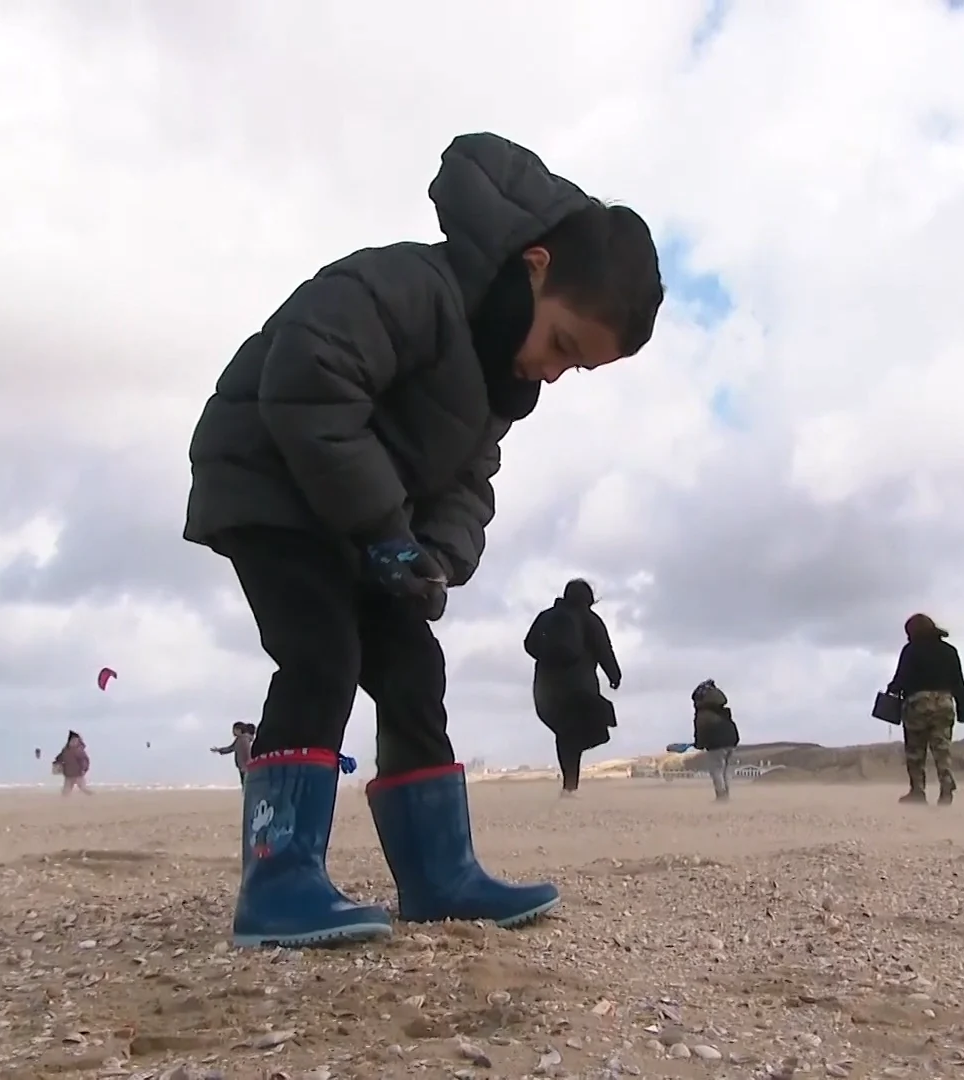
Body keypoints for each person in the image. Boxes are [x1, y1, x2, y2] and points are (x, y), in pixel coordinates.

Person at [182, 132, 664, 948]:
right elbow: (307, 380)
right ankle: (278, 879)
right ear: (535, 267)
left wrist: (432, 557)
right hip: (267, 482)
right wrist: (382, 529)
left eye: (574, 370)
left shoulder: (495, 388)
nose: (551, 372)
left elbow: (468, 486)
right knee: (322, 653)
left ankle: (440, 874)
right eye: (561, 345)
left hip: (365, 525)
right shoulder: (410, 284)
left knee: (412, 667)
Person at [527, 579, 622, 797]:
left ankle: (569, 786)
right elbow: (604, 650)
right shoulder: (589, 619)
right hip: (580, 688)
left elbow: (530, 644)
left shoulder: (546, 617)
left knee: (565, 734)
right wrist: (614, 675)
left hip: (546, 691)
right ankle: (570, 785)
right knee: (583, 733)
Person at [885, 614, 964, 806]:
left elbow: (901, 679)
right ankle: (946, 783)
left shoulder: (911, 650)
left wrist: (892, 688)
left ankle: (917, 791)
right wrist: (963, 709)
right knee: (942, 749)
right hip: (944, 703)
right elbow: (958, 682)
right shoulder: (950, 651)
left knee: (915, 750)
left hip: (918, 703)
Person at [689, 679, 741, 802]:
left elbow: (701, 732)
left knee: (716, 770)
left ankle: (721, 797)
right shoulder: (722, 711)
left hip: (716, 745)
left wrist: (699, 744)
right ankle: (726, 795)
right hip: (731, 742)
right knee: (725, 771)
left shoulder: (702, 714)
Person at [53, 731, 92, 797]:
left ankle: (93, 797)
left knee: (83, 788)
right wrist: (57, 762)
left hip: (78, 774)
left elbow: (84, 761)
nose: (73, 742)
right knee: (66, 791)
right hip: (68, 774)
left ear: (78, 741)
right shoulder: (65, 750)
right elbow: (60, 757)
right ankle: (64, 803)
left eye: (75, 740)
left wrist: (84, 769)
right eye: (72, 740)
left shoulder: (79, 750)